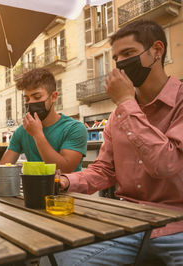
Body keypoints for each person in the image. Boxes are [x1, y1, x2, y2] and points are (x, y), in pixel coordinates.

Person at [56, 20, 183, 265]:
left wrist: (126, 102)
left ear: (157, 50)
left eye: (128, 54)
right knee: (62, 257)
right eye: (116, 58)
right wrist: (64, 181)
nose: (121, 64)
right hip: (127, 222)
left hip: (177, 225)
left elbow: (166, 165)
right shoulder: (119, 115)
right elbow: (104, 170)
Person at [0, 68, 87, 185]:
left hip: (68, 196)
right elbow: (5, 164)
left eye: (37, 97)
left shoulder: (75, 128)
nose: (30, 103)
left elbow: (65, 169)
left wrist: (37, 135)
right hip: (33, 192)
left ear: (53, 97)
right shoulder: (22, 131)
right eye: (27, 99)